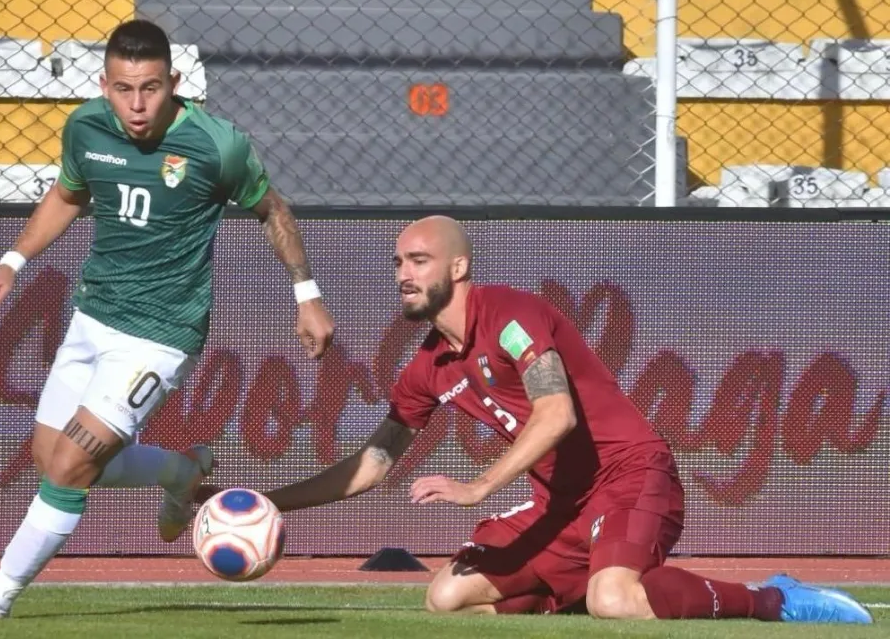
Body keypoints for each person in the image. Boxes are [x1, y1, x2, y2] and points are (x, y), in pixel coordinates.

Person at [255, 215, 871, 624]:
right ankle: (586, 586)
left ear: (459, 268)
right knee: (448, 598)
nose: (403, 275)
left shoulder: (514, 314)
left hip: (631, 477)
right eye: (398, 263)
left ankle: (773, 601)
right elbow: (372, 464)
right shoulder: (428, 366)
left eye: (418, 260)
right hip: (563, 507)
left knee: (614, 599)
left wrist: (478, 488)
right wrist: (267, 503)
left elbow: (557, 416)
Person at [0, 19, 335, 619]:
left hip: (160, 335)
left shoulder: (218, 145)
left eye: (150, 88)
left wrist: (308, 293)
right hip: (93, 316)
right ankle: (182, 471)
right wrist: (12, 261)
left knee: (70, 466)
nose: (136, 105)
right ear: (103, 85)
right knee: (49, 453)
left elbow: (273, 210)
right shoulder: (84, 126)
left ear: (174, 81)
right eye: (122, 88)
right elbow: (67, 194)